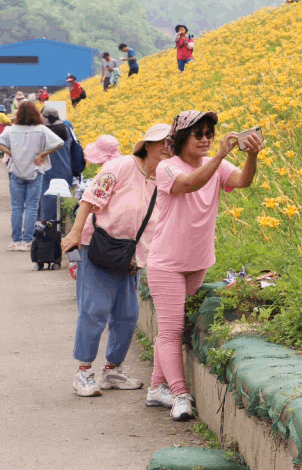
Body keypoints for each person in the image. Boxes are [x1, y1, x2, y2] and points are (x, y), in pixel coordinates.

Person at [146, 110, 262, 421]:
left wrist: (251, 156)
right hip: (166, 263)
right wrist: (221, 153)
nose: (206, 139)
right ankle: (181, 396)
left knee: (171, 329)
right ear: (182, 139)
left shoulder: (219, 165)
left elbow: (243, 181)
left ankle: (157, 387)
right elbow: (189, 184)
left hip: (197, 262)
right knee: (172, 330)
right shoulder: (167, 167)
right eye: (199, 134)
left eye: (210, 133)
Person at [61, 124, 171, 398]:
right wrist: (75, 232)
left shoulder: (166, 177)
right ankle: (83, 372)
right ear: (147, 145)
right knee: (94, 311)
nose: (168, 148)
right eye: (162, 142)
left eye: (173, 143)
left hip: (131, 256)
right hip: (99, 246)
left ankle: (112, 370)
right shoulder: (121, 166)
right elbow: (90, 198)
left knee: (128, 315)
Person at [0, 101, 64, 250]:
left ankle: (16, 241)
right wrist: (43, 154)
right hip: (35, 169)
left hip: (16, 170)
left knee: (16, 207)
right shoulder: (41, 129)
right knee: (32, 207)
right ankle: (27, 240)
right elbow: (59, 142)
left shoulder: (11, 130)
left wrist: (11, 154)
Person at [39, 104, 75, 221]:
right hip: (66, 169)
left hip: (47, 170)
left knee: (47, 199)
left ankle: (48, 226)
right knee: (64, 199)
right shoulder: (67, 129)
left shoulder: (43, 132)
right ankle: (62, 225)